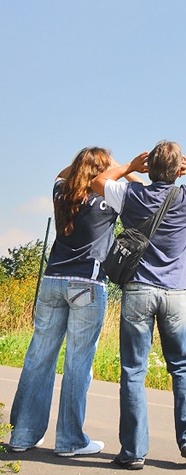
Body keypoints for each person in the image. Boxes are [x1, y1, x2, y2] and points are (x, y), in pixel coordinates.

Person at [91, 140, 186, 471]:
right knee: (181, 366)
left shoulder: (130, 195)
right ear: (178, 169)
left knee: (134, 370)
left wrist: (130, 168)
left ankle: (134, 452)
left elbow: (96, 182)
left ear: (149, 167)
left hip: (138, 291)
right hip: (175, 293)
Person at [9, 147, 135, 457]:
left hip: (52, 281)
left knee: (39, 357)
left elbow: (62, 174)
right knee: (78, 363)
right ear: (103, 171)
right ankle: (69, 441)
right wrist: (122, 166)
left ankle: (22, 435)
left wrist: (85, 164)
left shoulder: (61, 192)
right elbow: (141, 188)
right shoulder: (111, 197)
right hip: (87, 285)